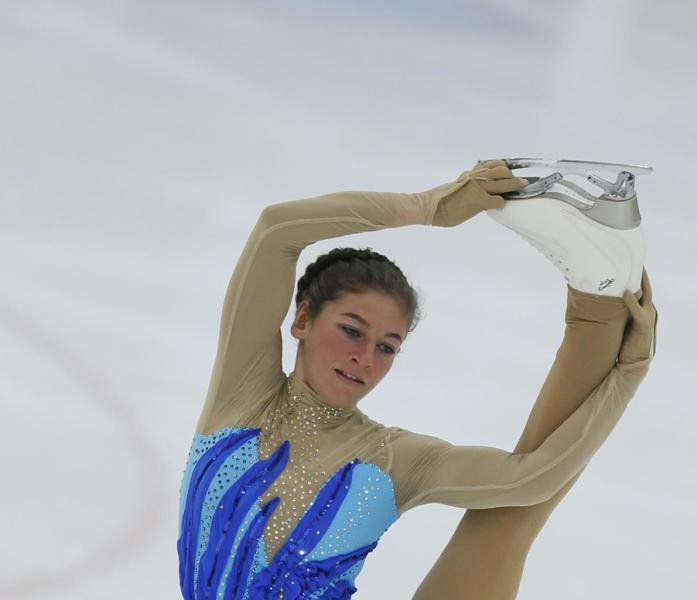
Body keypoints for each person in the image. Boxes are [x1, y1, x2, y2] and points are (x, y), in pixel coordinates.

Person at [177, 160, 658, 599]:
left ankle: (600, 300)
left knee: (507, 520)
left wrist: (628, 374)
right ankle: (602, 302)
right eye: (351, 331)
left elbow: (530, 479)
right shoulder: (245, 400)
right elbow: (276, 229)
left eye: (386, 347)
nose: (364, 358)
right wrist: (427, 207)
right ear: (302, 320)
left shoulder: (391, 459)